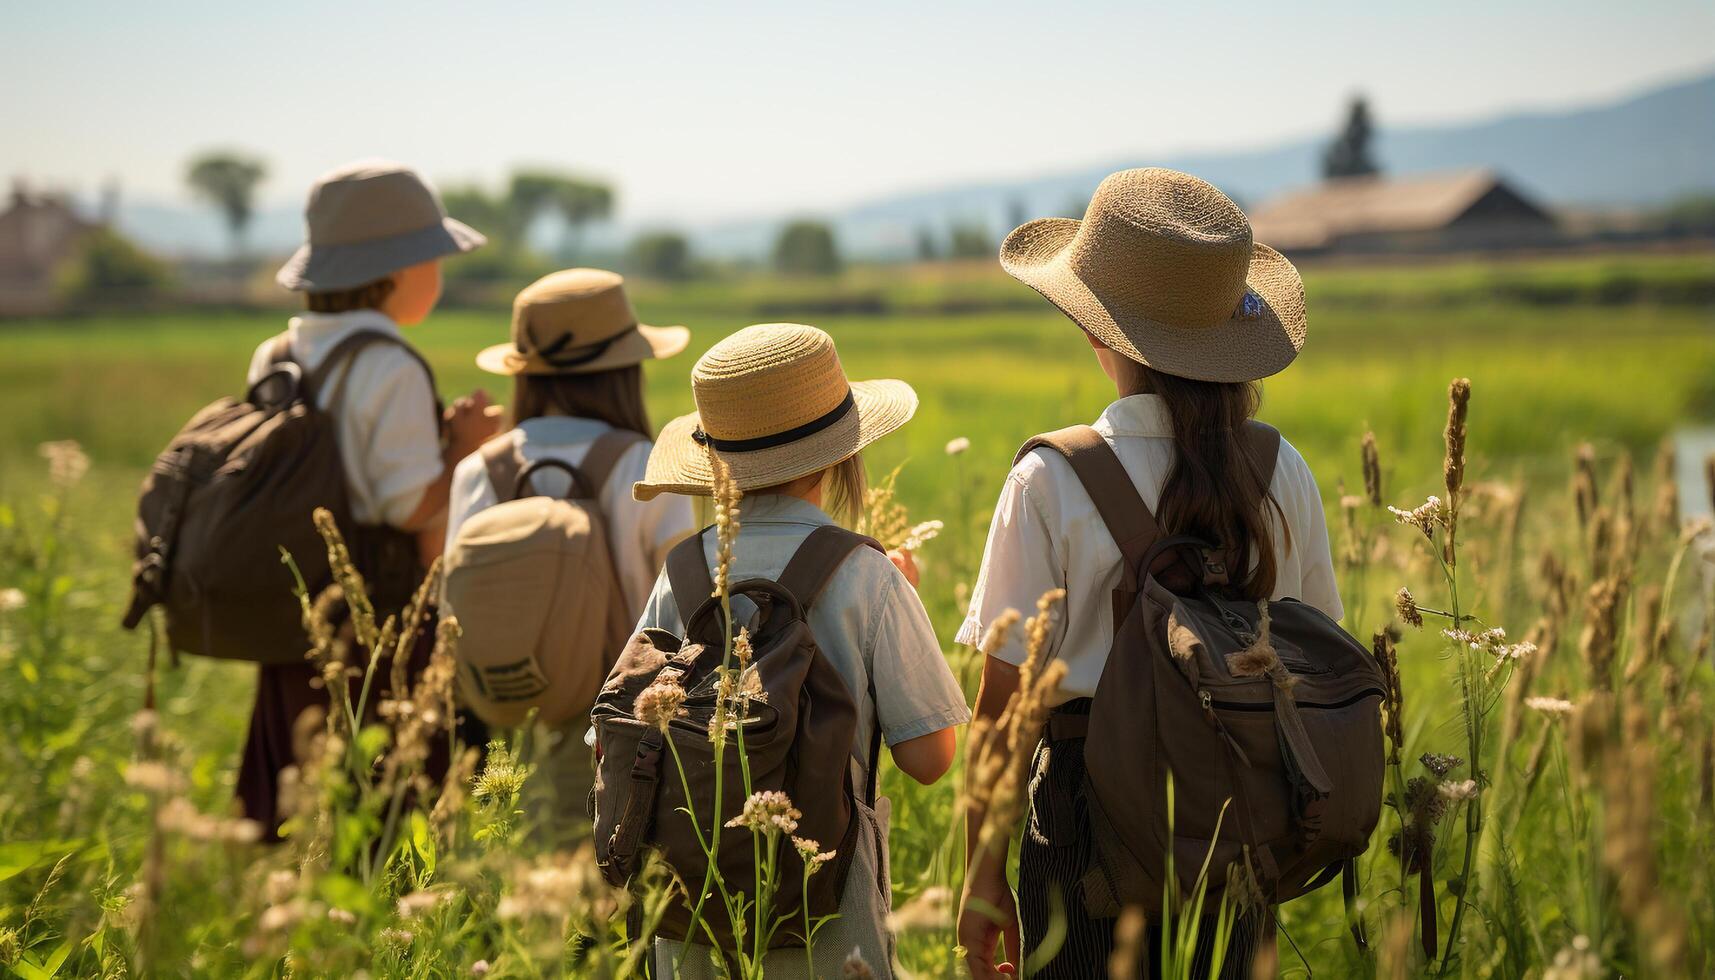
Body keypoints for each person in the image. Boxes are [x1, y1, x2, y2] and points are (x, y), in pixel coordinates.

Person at [956, 168, 1344, 979]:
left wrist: (981, 875)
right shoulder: (1283, 470)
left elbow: (1002, 711)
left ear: (1097, 335)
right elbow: (1316, 661)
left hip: (1080, 813)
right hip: (1237, 806)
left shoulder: (1050, 478)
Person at [631, 323, 970, 977]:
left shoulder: (681, 575)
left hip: (690, 923)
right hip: (831, 927)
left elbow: (616, 732)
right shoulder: (868, 575)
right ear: (838, 454)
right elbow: (929, 758)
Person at [237, 159, 498, 835]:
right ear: (397, 271)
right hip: (376, 627)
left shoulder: (274, 354)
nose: (436, 277)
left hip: (290, 617)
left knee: (306, 810)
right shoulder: (391, 365)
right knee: (387, 818)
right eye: (431, 261)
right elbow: (407, 506)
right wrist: (465, 448)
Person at [442, 268, 695, 826]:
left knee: (518, 867)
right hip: (621, 719)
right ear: (625, 370)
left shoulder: (476, 471)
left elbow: (450, 608)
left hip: (506, 714)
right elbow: (686, 611)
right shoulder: (646, 465)